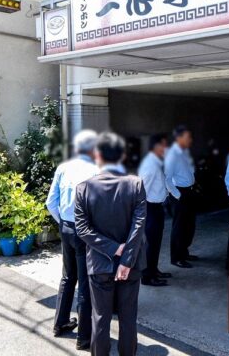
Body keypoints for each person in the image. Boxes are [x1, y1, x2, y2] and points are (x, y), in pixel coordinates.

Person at [75, 132, 147, 356]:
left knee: (100, 319)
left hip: (99, 264)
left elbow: (83, 230)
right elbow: (138, 226)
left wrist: (112, 249)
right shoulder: (136, 184)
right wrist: (125, 258)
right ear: (123, 155)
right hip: (132, 264)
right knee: (128, 319)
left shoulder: (83, 188)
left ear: (97, 155)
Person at [46, 130, 99, 351]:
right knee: (86, 282)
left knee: (68, 277)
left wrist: (63, 223)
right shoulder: (96, 171)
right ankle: (84, 337)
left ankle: (60, 323)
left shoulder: (63, 168)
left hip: (66, 227)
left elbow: (51, 203)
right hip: (85, 231)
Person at [137, 133, 173, 286]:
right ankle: (147, 276)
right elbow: (141, 189)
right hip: (150, 208)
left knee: (156, 242)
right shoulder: (150, 165)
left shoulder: (156, 162)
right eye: (164, 145)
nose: (166, 148)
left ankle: (154, 269)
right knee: (150, 244)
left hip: (157, 207)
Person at [165, 125, 198, 268]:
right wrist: (178, 196)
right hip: (180, 193)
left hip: (189, 191)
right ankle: (176, 257)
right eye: (187, 137)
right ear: (179, 138)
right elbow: (166, 179)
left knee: (189, 225)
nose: (190, 139)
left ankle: (184, 252)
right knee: (179, 226)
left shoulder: (185, 153)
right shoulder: (172, 155)